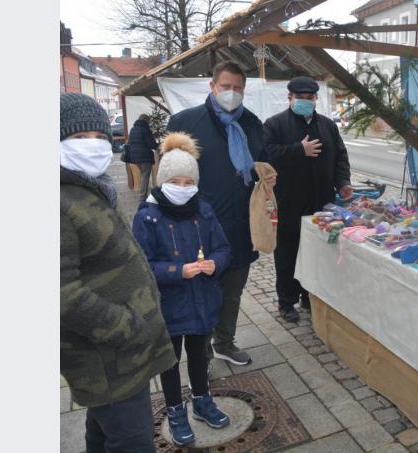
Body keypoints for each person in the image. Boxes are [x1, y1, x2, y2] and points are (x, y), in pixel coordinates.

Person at [60, 93, 176, 452]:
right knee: (132, 441)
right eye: (80, 139)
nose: (93, 146)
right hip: (106, 356)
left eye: (99, 137)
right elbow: (61, 293)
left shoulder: (89, 187)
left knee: (102, 429)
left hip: (119, 356)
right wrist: (123, 327)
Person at [167, 61, 273, 366]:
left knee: (233, 292)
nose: (232, 93)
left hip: (241, 226)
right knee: (202, 293)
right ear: (212, 86)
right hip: (200, 227)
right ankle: (200, 357)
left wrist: (267, 175)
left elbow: (260, 164)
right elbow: (169, 177)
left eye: (238, 88)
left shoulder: (251, 124)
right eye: (226, 87)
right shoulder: (186, 123)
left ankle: (224, 342)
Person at [132, 132, 232, 446]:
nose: (183, 188)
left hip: (202, 298)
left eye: (189, 182)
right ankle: (175, 409)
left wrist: (215, 263)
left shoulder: (203, 210)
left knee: (199, 354)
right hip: (169, 303)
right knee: (170, 360)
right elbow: (142, 266)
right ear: (162, 181)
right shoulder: (147, 216)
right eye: (176, 181)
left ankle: (202, 399)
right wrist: (179, 270)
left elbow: (223, 248)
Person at [264, 76, 353, 323]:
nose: (305, 101)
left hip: (321, 202)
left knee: (315, 252)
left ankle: (308, 295)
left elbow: (340, 157)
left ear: (316, 99)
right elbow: (266, 156)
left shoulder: (327, 125)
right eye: (299, 97)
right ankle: (286, 301)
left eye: (309, 98)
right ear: (289, 98)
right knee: (287, 253)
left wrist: (343, 182)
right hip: (289, 201)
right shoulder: (275, 124)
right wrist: (297, 150)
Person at [127, 114, 158, 200]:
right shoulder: (145, 129)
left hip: (134, 157)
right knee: (145, 175)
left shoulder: (133, 129)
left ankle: (143, 192)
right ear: (146, 120)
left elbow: (130, 143)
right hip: (144, 157)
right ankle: (143, 196)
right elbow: (151, 144)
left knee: (143, 174)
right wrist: (158, 146)